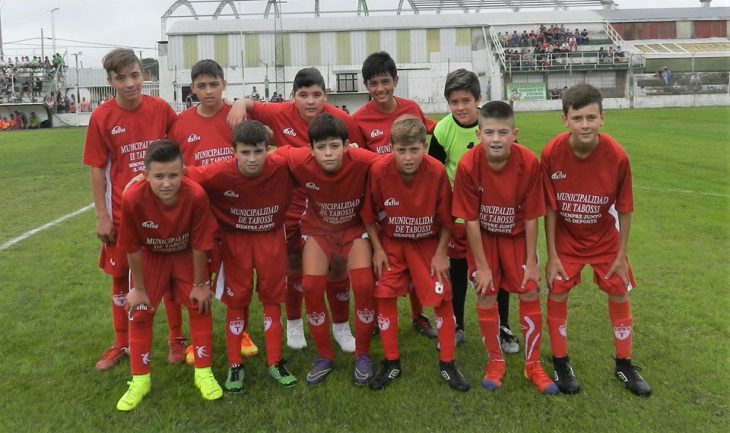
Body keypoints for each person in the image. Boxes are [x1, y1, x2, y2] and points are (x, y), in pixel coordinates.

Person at [227, 67, 365, 353]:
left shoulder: (342, 120)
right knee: (293, 264)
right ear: (292, 97)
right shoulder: (280, 113)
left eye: (316, 95)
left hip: (327, 202)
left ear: (326, 96)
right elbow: (252, 105)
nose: (310, 101)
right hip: (290, 201)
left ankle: (341, 326)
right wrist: (241, 103)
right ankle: (293, 323)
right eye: (303, 95)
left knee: (337, 263)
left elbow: (356, 155)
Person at [541, 83, 652, 397]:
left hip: (605, 239)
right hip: (566, 239)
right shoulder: (551, 153)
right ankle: (561, 362)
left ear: (602, 118)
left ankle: (624, 364)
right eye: (578, 118)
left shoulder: (616, 155)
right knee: (558, 290)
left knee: (619, 291)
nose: (585, 124)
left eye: (591, 117)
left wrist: (620, 255)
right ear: (565, 119)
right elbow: (549, 208)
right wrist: (552, 255)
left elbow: (625, 208)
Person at [82, 48, 180, 371]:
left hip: (162, 211)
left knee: (170, 277)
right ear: (110, 81)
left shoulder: (162, 109)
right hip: (122, 216)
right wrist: (101, 214)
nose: (129, 83)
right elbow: (97, 167)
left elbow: (180, 151)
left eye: (135, 75)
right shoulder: (101, 117)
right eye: (121, 78)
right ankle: (121, 344)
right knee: (120, 278)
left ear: (144, 75)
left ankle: (176, 340)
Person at [452, 101, 558, 395]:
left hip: (515, 239)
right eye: (489, 132)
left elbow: (531, 215)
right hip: (484, 239)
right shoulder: (468, 164)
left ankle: (532, 364)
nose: (496, 139)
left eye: (503, 132)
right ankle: (495, 361)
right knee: (486, 294)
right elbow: (470, 220)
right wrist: (483, 267)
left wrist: (532, 261)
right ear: (479, 133)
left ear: (515, 133)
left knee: (529, 289)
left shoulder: (528, 162)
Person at [186, 120, 297, 392]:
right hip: (235, 242)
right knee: (237, 301)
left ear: (268, 150)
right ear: (233, 150)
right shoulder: (218, 173)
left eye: (258, 151)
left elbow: (312, 157)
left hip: (271, 238)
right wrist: (145, 174)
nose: (252, 159)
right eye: (245, 152)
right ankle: (235, 365)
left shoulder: (282, 166)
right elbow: (184, 174)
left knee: (273, 299)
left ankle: (275, 361)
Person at [363, 114, 470, 392]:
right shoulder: (378, 171)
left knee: (442, 296)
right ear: (391, 148)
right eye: (401, 150)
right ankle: (391, 362)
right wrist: (376, 249)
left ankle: (447, 362)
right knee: (384, 294)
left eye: (414, 149)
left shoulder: (435, 171)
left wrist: (441, 253)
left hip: (427, 243)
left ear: (423, 146)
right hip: (392, 243)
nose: (408, 157)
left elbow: (447, 221)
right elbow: (368, 215)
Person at [116, 140, 222, 411]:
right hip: (152, 256)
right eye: (159, 176)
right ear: (145, 174)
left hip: (185, 254)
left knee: (200, 305)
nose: (166, 183)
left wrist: (200, 284)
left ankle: (203, 372)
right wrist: (139, 288)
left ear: (184, 172)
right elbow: (132, 245)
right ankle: (140, 380)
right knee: (140, 311)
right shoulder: (132, 197)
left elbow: (200, 243)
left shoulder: (196, 194)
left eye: (173, 175)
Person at [168, 58, 260, 361]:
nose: (208, 91)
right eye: (201, 86)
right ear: (192, 88)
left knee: (237, 275)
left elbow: (259, 150)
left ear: (224, 84)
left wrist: (243, 105)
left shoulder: (238, 117)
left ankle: (241, 329)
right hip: (197, 214)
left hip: (234, 211)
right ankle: (198, 337)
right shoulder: (181, 124)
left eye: (214, 84)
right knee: (198, 276)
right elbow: (174, 168)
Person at [281, 113, 377, 386]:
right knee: (310, 288)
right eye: (321, 147)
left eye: (334, 146)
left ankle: (363, 355)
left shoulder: (363, 160)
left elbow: (394, 165)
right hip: (318, 231)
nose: (328, 153)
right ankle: (324, 356)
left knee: (364, 285)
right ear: (310, 149)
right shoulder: (299, 159)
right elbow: (269, 158)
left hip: (353, 230)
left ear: (347, 145)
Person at [428, 69, 518, 353]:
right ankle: (456, 323)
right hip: (458, 216)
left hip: (491, 216)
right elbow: (434, 172)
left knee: (495, 271)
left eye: (466, 100)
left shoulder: (492, 126)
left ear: (478, 99)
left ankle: (503, 326)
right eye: (454, 102)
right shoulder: (442, 129)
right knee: (456, 273)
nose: (460, 107)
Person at [352, 51, 438, 339]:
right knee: (383, 262)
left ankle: (418, 315)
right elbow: (357, 157)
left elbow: (433, 133)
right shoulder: (359, 118)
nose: (380, 89)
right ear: (366, 86)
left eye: (385, 81)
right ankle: (380, 316)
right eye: (373, 83)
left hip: (412, 198)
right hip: (380, 200)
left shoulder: (411, 108)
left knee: (414, 262)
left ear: (396, 81)